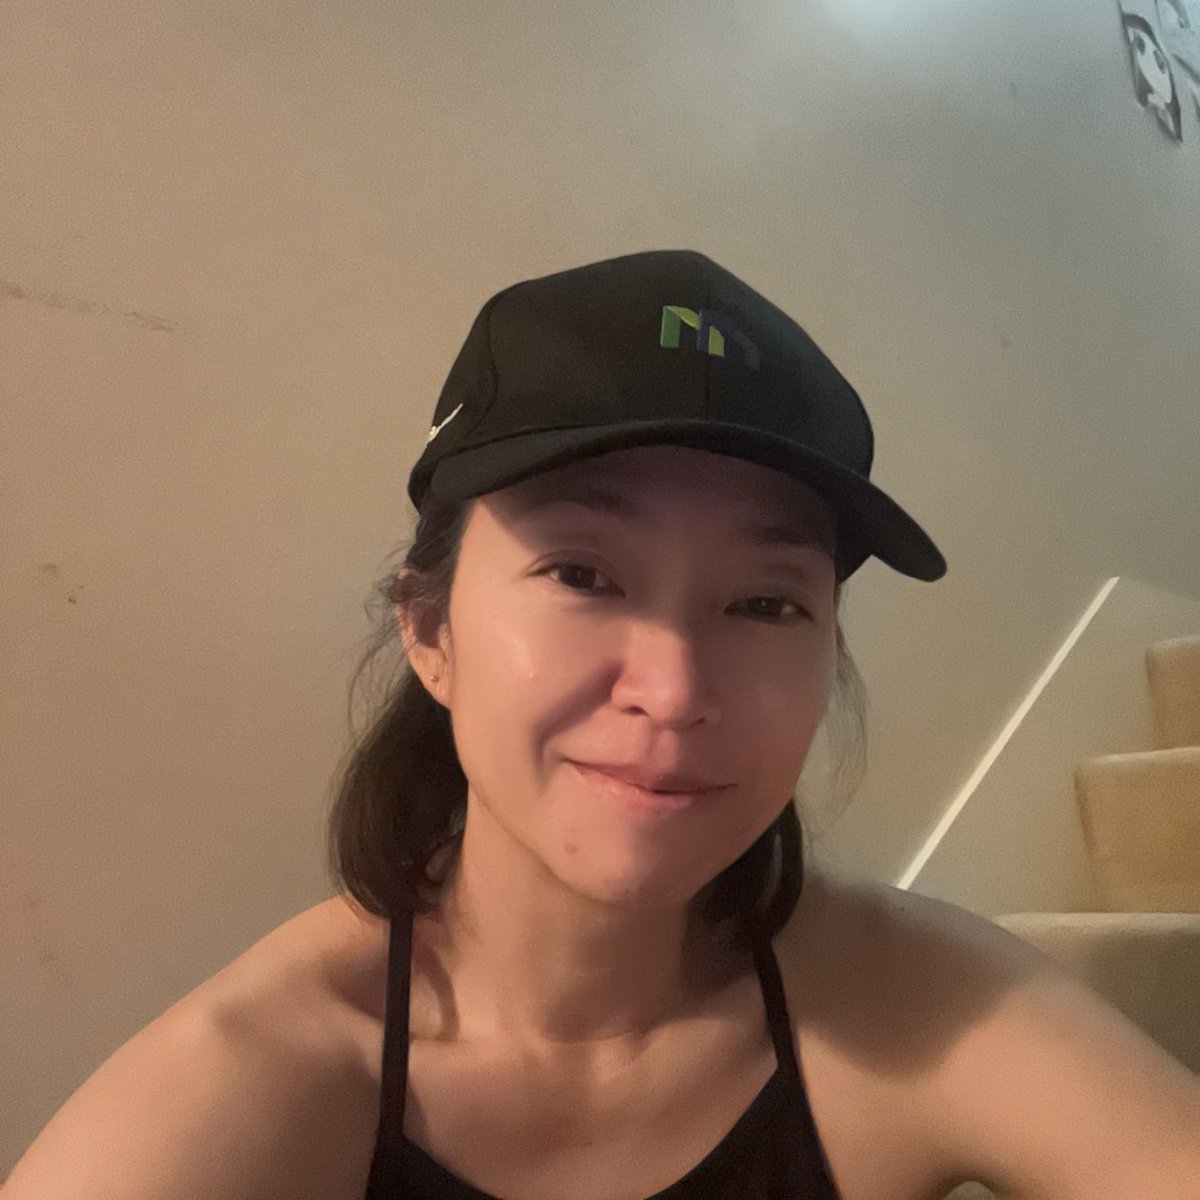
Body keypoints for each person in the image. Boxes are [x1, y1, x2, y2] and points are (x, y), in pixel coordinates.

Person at [7, 251, 1200, 1200]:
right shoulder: (255, 1081)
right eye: (581, 574)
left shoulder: (907, 999)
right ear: (429, 630)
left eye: (766, 603)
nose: (673, 690)